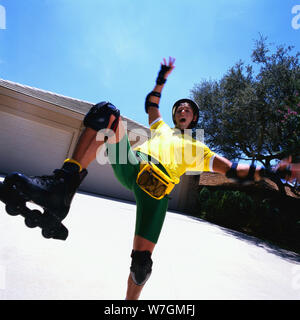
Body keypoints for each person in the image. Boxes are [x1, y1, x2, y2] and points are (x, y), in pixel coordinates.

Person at [5, 57, 291, 300]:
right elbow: (151, 104)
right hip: (133, 166)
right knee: (107, 114)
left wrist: (271, 171)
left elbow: (231, 170)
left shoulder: (200, 149)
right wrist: (161, 79)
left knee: (141, 264)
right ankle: (62, 188)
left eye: (188, 109)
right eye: (179, 107)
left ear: (194, 119)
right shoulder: (161, 128)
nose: (182, 110)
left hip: (157, 195)